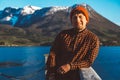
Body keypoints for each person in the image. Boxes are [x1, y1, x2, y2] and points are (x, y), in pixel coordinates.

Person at [46, 5, 100, 80]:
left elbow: (88, 61)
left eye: (80, 16)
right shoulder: (63, 35)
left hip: (76, 77)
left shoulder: (93, 39)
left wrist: (70, 66)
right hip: (57, 76)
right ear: (71, 20)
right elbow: (53, 54)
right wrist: (51, 73)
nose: (77, 20)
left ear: (86, 20)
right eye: (74, 17)